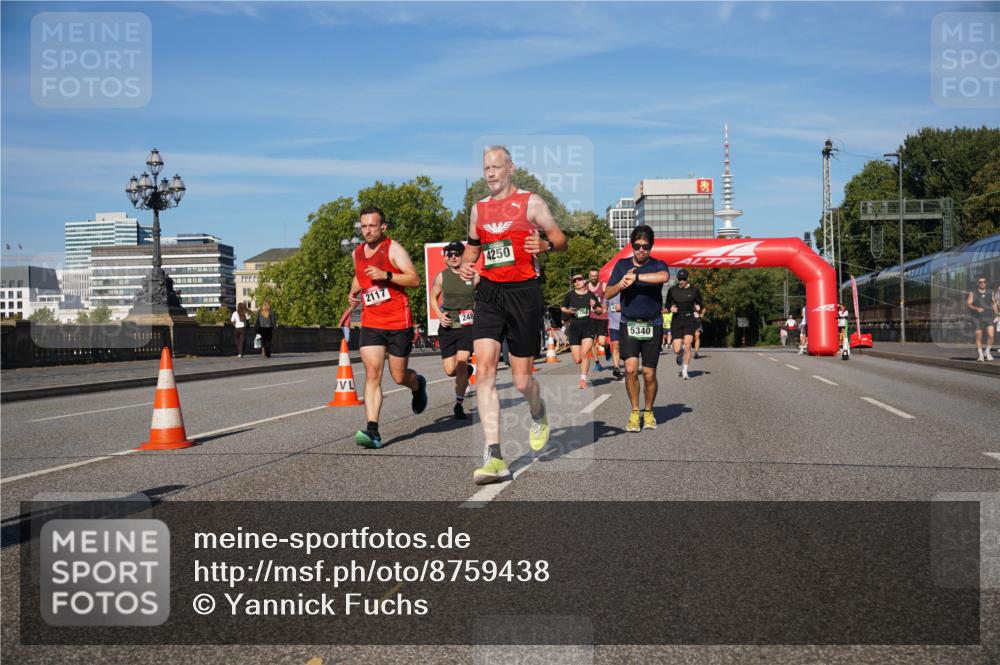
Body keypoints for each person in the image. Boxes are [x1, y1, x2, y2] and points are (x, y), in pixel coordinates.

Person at [459, 145, 567, 485]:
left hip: (525, 294)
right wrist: (466, 263)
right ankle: (494, 456)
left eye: (495, 167)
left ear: (511, 168)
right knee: (486, 369)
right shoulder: (478, 210)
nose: (489, 173)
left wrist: (546, 246)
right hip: (490, 293)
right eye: (485, 168)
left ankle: (538, 411)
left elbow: (560, 238)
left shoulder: (531, 203)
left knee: (521, 380)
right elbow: (474, 246)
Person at [348, 206, 428, 449]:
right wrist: (353, 293)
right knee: (372, 374)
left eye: (372, 226)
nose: (367, 230)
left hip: (397, 321)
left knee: (398, 376)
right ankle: (373, 430)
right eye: (364, 226)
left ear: (383, 227)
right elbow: (360, 276)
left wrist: (387, 275)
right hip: (372, 322)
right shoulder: (358, 253)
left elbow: (414, 279)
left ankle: (417, 384)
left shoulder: (393, 249)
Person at [605, 225, 669, 431]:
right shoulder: (622, 265)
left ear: (651, 247)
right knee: (631, 370)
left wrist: (638, 277)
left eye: (645, 246)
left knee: (649, 374)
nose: (641, 250)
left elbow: (663, 277)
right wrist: (622, 284)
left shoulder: (658, 264)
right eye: (637, 246)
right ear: (631, 245)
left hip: (653, 324)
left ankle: (648, 411)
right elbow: (607, 293)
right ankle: (635, 411)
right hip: (628, 324)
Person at [429, 241, 479, 419]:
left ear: (463, 255)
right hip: (448, 326)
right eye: (450, 254)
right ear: (446, 258)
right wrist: (439, 315)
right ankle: (467, 372)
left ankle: (458, 404)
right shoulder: (442, 276)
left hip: (467, 327)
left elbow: (484, 298)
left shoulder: (474, 276)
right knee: (450, 370)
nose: (453, 256)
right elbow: (433, 296)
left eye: (457, 253)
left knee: (461, 362)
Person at [561, 273, 604, 389]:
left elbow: (600, 311)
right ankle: (582, 369)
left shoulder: (591, 295)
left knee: (585, 353)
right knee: (577, 359)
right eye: (574, 281)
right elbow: (562, 307)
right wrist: (568, 311)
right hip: (574, 327)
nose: (577, 282)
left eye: (579, 279)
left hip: (588, 326)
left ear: (584, 280)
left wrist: (594, 307)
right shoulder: (570, 295)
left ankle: (583, 379)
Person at [665, 269, 703, 380]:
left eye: (684, 279)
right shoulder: (672, 290)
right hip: (677, 320)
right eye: (680, 279)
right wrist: (670, 308)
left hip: (689, 319)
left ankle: (685, 371)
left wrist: (698, 307)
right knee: (676, 349)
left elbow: (700, 303)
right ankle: (680, 354)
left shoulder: (694, 290)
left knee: (687, 346)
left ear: (687, 279)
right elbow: (667, 303)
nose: (681, 281)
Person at [968, 275, 996, 361]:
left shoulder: (990, 292)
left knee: (991, 335)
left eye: (984, 282)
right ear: (978, 283)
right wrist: (976, 308)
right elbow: (969, 304)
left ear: (986, 283)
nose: (982, 283)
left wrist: (997, 315)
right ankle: (980, 355)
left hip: (989, 317)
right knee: (978, 336)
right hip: (977, 318)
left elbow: (994, 304)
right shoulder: (973, 293)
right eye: (980, 282)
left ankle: (987, 351)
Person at [587, 268, 609, 371]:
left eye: (595, 276)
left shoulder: (603, 285)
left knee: (601, 342)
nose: (594, 277)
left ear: (598, 276)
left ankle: (607, 347)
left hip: (602, 317)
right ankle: (597, 363)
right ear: (589, 276)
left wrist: (605, 306)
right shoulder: (586, 287)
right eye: (592, 275)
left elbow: (609, 296)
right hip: (590, 317)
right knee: (591, 342)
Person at [607, 292, 624, 380]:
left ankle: (630, 366)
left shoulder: (628, 291)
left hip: (626, 324)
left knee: (626, 348)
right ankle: (616, 368)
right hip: (614, 325)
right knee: (615, 346)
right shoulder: (609, 292)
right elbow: (603, 307)